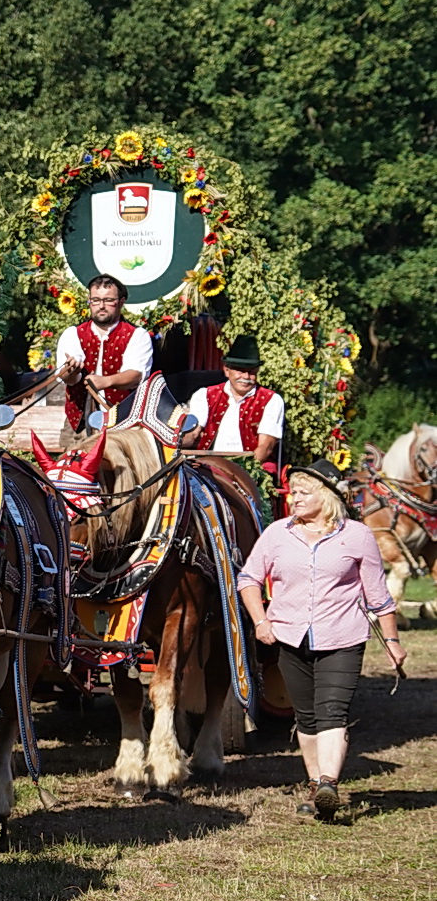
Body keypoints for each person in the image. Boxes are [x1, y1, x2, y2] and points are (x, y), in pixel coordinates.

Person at [238, 459, 402, 822]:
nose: (294, 498)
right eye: (293, 492)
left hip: (342, 637)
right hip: (290, 637)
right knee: (307, 717)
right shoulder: (278, 534)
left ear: (327, 496)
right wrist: (260, 621)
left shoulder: (357, 536)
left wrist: (392, 640)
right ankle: (316, 786)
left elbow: (378, 596)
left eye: (303, 492)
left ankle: (329, 782)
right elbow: (248, 579)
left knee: (332, 712)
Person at [55, 274, 154, 434]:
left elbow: (136, 375)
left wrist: (105, 381)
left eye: (108, 300)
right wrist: (71, 372)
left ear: (121, 302)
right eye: (95, 300)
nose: (101, 306)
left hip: (124, 423)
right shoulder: (72, 334)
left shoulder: (137, 335)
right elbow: (67, 378)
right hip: (80, 422)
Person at [180, 336, 285, 468]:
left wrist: (245, 470)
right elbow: (193, 433)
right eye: (240, 370)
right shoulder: (204, 395)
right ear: (226, 370)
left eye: (251, 372)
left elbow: (266, 446)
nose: (246, 377)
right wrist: (177, 442)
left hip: (251, 467)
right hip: (207, 465)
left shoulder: (271, 400)